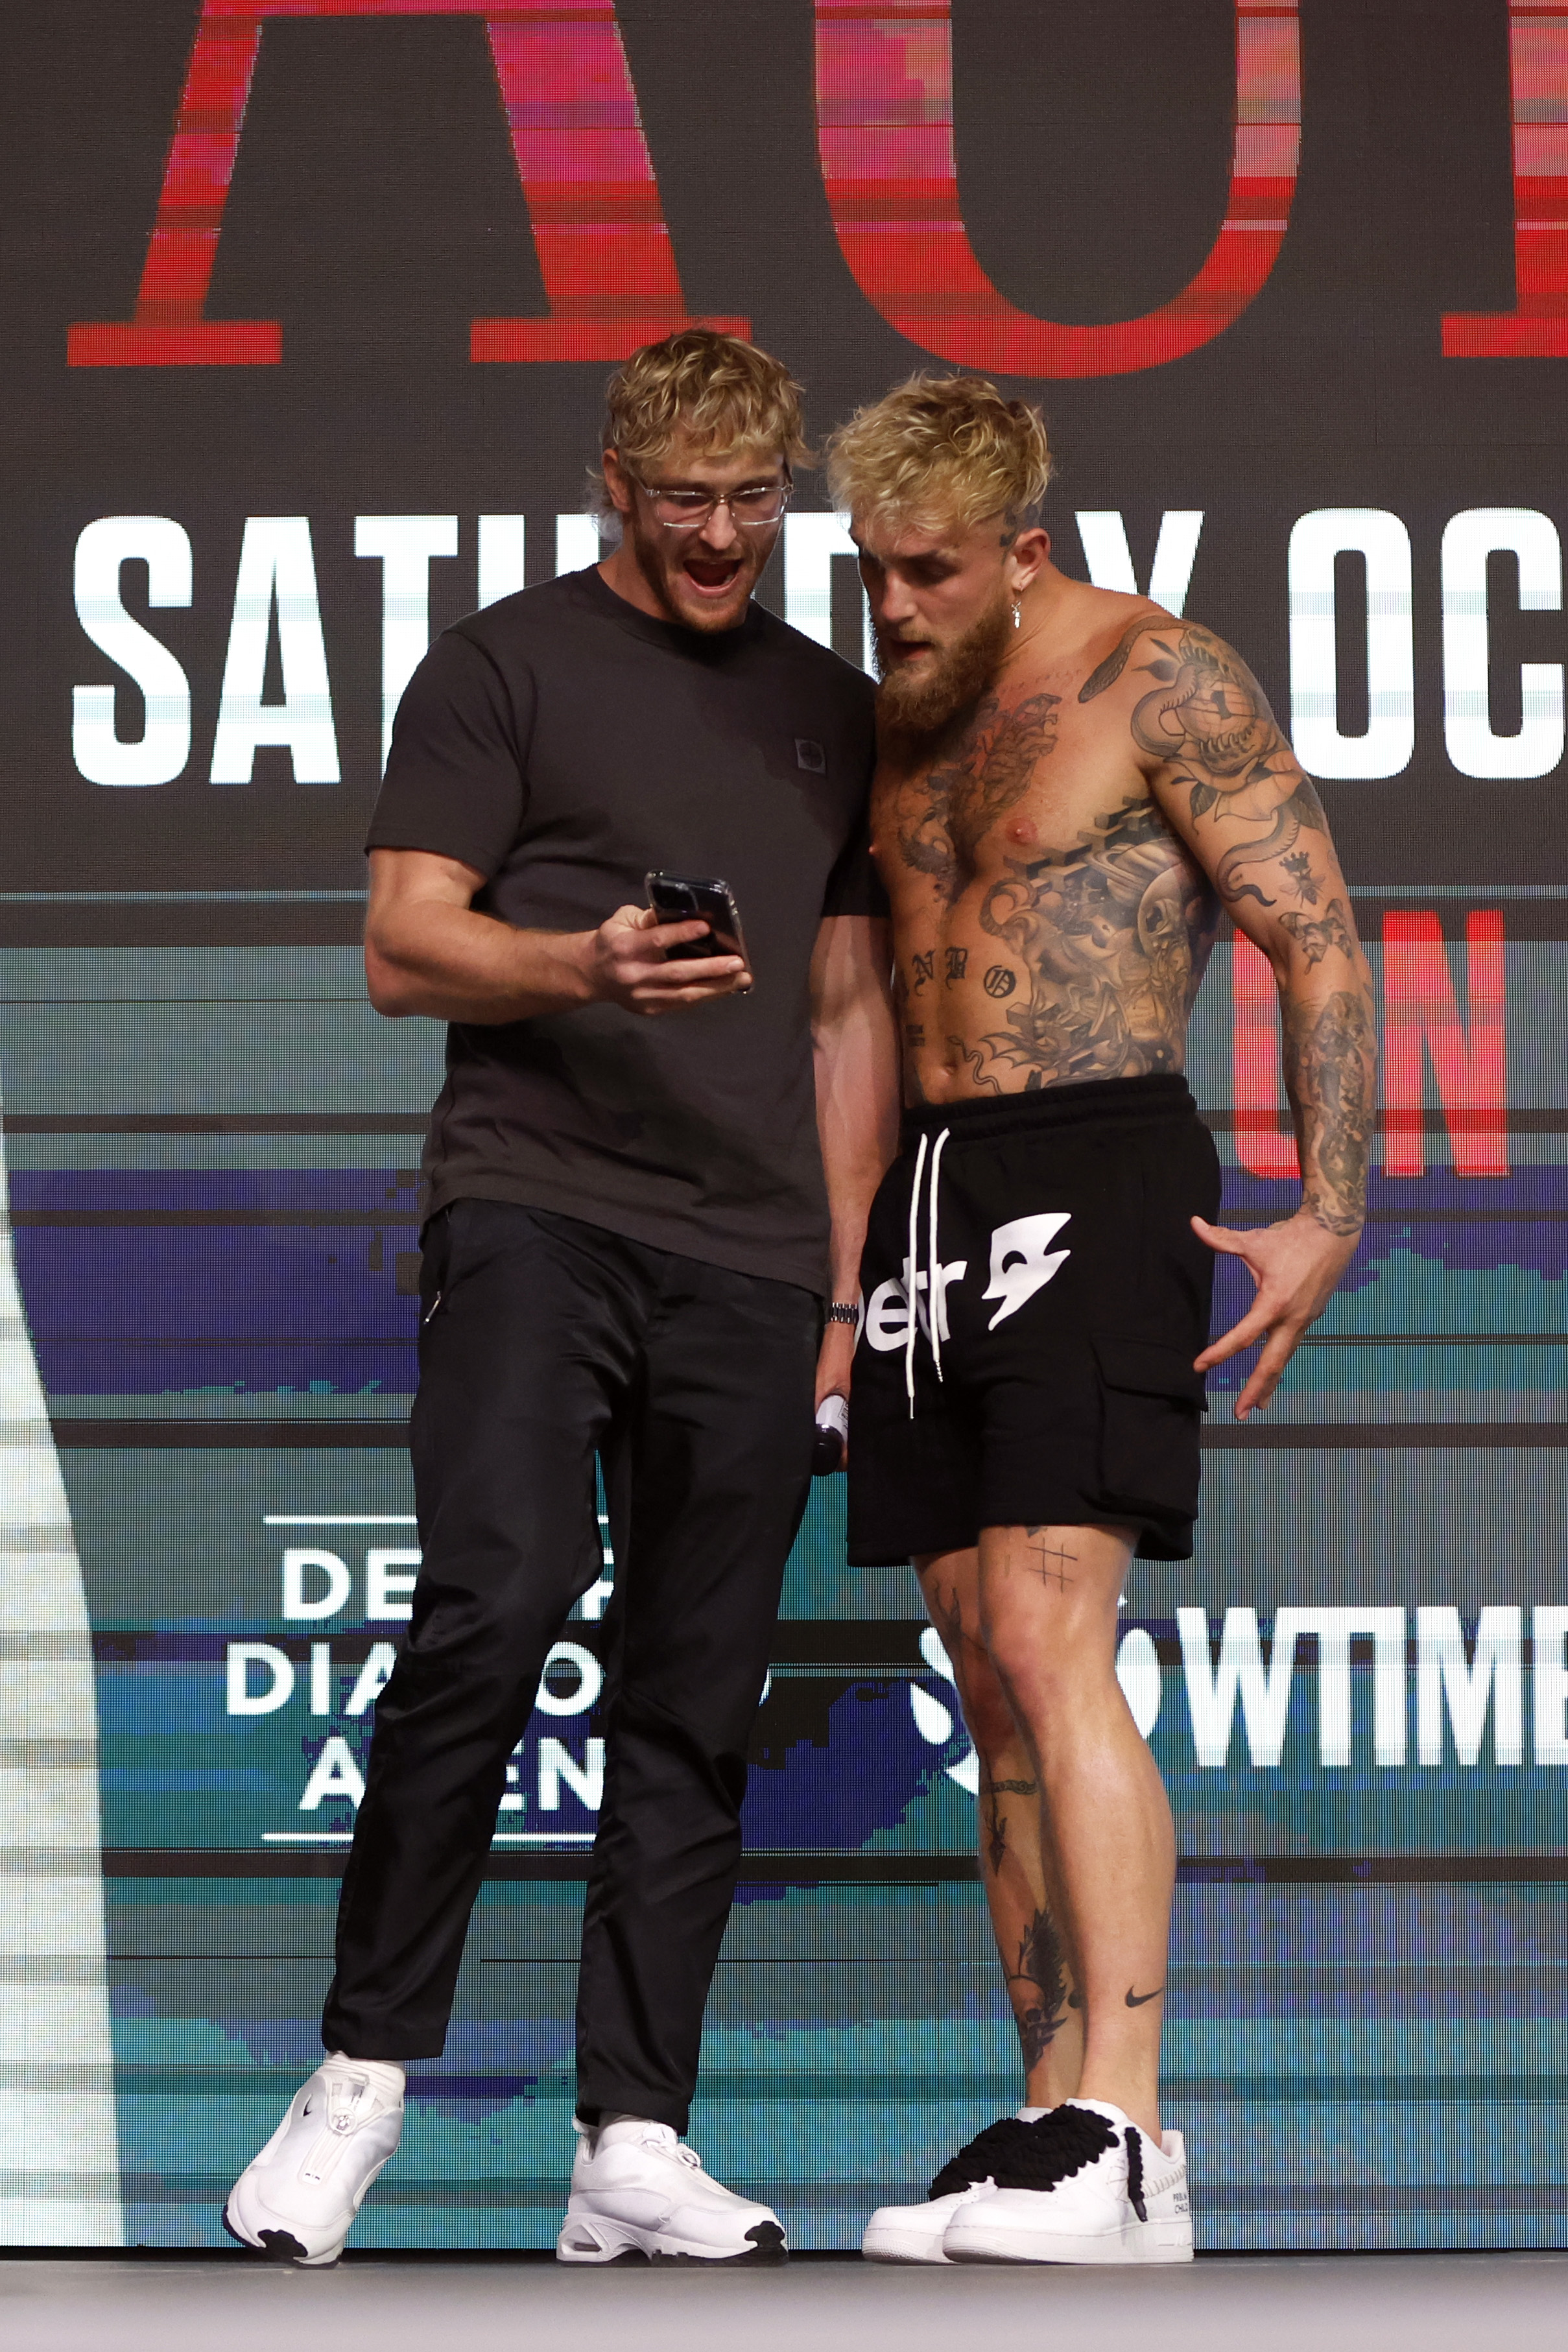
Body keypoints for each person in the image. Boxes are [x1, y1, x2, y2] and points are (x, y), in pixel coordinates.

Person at [223, 330, 897, 2267]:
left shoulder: (827, 708)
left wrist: (843, 1291)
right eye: (680, 497)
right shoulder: (503, 661)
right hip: (536, 1207)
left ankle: (634, 2135)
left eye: (751, 498)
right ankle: (357, 2079)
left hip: (756, 1256)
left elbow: (849, 1013)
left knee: (696, 1695)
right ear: (612, 479)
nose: (716, 534)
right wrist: (588, 960)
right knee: (492, 1600)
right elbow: (399, 946)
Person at [826, 376, 1375, 2266]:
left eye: (930, 572)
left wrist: (1325, 1205)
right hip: (927, 1185)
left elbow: (1312, 928)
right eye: (870, 571)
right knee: (980, 1659)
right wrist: (840, 1277)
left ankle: (1129, 2128)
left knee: (1059, 1625)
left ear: (1023, 549)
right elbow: (851, 1009)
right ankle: (1044, 2110)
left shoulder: (1160, 676)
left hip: (1098, 1154)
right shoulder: (888, 721)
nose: (893, 606)